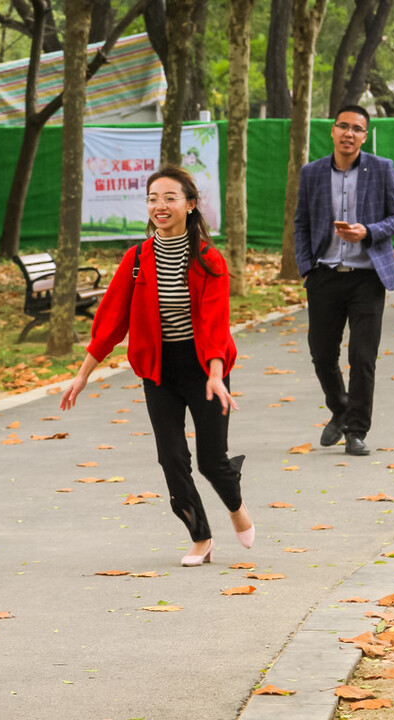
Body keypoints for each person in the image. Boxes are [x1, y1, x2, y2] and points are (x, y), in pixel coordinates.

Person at [60, 165, 253, 567]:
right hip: (157, 369)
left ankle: (235, 506)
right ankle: (200, 536)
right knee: (171, 457)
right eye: (152, 198)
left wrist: (217, 374)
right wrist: (82, 375)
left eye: (169, 198)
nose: (159, 206)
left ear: (191, 204)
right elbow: (111, 321)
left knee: (211, 461)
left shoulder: (209, 260)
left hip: (205, 369)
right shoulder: (136, 259)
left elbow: (216, 323)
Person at [293, 104, 394, 457]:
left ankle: (356, 430)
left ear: (364, 135)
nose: (349, 133)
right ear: (332, 130)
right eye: (343, 126)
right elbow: (301, 222)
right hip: (324, 276)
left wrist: (368, 231)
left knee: (362, 356)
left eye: (357, 128)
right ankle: (341, 407)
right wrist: (306, 269)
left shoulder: (382, 169)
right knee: (321, 354)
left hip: (367, 279)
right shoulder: (312, 173)